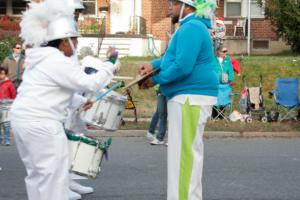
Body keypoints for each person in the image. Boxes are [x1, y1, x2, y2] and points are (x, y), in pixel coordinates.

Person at [10, 1, 117, 200]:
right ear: (63, 40)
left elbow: (50, 90)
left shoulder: (41, 57)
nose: (76, 45)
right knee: (53, 176)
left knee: (36, 174)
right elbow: (90, 83)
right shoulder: (56, 59)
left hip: (24, 120)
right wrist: (109, 65)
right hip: (42, 123)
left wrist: (77, 102)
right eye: (74, 40)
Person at [138, 0, 218, 199]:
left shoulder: (191, 28)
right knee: (186, 155)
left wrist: (155, 79)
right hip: (189, 97)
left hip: (190, 97)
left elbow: (182, 66)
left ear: (188, 6)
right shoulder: (191, 27)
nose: (170, 7)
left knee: (184, 156)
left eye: (174, 3)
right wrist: (153, 64)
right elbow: (172, 60)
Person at [0, 66, 16, 145]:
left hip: (6, 106)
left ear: (6, 74)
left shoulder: (9, 84)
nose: (1, 75)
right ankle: (0, 138)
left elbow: (13, 95)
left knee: (6, 123)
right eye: (0, 74)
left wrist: (12, 104)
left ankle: (7, 139)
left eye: (3, 74)